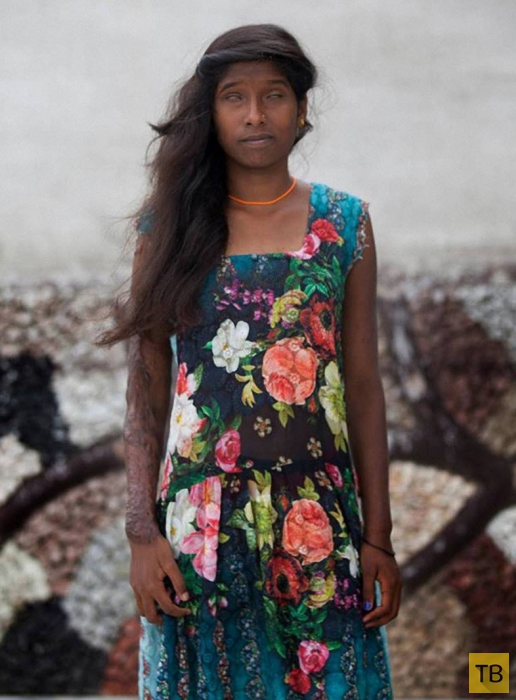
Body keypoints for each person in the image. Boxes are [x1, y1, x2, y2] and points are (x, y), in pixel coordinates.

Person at [97, 22, 401, 700]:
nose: (255, 114)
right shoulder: (169, 227)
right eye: (234, 97)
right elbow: (147, 384)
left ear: (301, 110)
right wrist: (141, 534)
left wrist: (377, 538)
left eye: (274, 96)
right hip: (201, 525)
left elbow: (362, 385)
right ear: (210, 114)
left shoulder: (343, 223)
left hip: (319, 519)